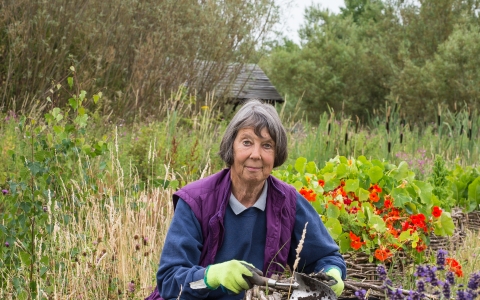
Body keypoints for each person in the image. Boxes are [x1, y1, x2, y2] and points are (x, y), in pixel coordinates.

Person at [146, 99, 346, 300]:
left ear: (277, 154)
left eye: (267, 145)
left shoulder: (287, 202)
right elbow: (169, 281)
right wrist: (210, 277)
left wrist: (332, 273)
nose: (256, 154)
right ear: (231, 147)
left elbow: (326, 257)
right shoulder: (197, 201)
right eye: (247, 142)